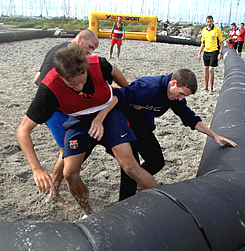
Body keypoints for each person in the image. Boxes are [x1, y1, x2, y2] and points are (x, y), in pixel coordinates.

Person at [17, 44, 157, 215]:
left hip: (109, 114)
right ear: (60, 76)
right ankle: (89, 213)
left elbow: (116, 72)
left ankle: (161, 203)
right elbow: (23, 130)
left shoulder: (99, 65)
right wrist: (36, 169)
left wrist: (128, 93)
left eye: (82, 81)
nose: (80, 88)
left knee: (130, 167)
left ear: (85, 69)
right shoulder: (49, 88)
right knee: (70, 173)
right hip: (79, 119)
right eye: (72, 85)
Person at [105, 69, 237, 200]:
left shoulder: (175, 98)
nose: (181, 98)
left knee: (156, 162)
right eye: (180, 94)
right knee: (131, 167)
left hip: (143, 128)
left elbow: (190, 118)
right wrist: (101, 119)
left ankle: (140, 179)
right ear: (173, 83)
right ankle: (123, 201)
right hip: (124, 127)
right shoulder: (149, 87)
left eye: (184, 96)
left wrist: (214, 135)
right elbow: (119, 95)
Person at [32, 30, 99, 203]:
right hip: (54, 110)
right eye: (90, 47)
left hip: (51, 107)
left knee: (69, 152)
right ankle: (53, 191)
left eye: (93, 50)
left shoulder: (57, 49)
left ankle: (56, 187)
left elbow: (37, 79)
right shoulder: (69, 57)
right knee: (66, 153)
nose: (91, 52)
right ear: (80, 38)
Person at [197, 15, 225, 95]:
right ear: (206, 22)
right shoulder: (204, 30)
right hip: (206, 51)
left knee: (211, 69)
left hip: (214, 51)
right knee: (206, 69)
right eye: (208, 22)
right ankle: (206, 87)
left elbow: (221, 42)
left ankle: (211, 89)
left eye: (210, 22)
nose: (209, 23)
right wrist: (199, 53)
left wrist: (220, 53)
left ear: (213, 22)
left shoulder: (217, 30)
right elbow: (203, 42)